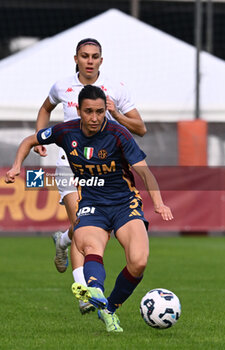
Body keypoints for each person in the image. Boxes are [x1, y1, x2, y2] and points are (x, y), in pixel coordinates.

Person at [5, 85, 173, 333]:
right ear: (78, 111)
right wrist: (17, 166)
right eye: (89, 112)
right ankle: (95, 290)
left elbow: (144, 172)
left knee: (138, 262)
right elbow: (30, 140)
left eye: (100, 111)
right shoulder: (65, 132)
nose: (95, 118)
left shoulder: (119, 134)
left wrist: (158, 203)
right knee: (91, 246)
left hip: (125, 204)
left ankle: (108, 308)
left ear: (105, 110)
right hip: (92, 205)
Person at [34, 38, 147, 314]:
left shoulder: (116, 89)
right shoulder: (62, 86)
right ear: (76, 59)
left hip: (102, 171)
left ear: (101, 60)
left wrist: (116, 114)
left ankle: (63, 240)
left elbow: (141, 128)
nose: (89, 61)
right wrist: (40, 138)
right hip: (68, 165)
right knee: (81, 222)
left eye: (94, 56)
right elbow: (45, 109)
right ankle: (85, 293)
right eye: (84, 56)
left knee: (81, 231)